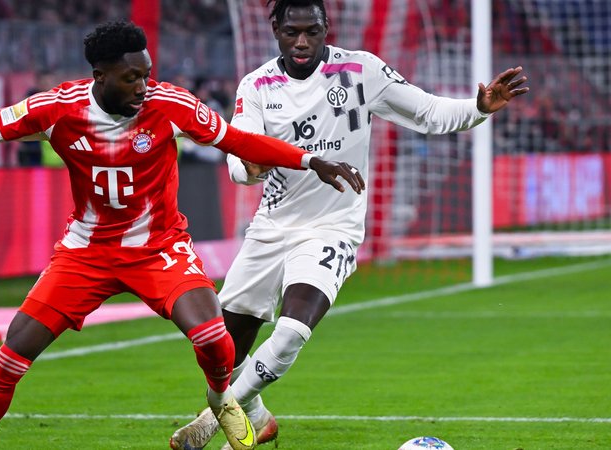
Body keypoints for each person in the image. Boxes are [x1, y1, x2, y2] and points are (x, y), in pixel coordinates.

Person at [0, 20, 361, 450]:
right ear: (100, 75)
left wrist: (308, 160)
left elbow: (238, 140)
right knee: (12, 354)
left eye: (147, 74)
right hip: (86, 253)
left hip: (159, 248)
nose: (143, 87)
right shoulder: (56, 108)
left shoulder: (170, 105)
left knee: (216, 339)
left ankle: (222, 402)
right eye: (131, 78)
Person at [169, 0, 529, 448]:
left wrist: (479, 106)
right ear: (275, 30)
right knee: (221, 351)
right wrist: (251, 168)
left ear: (326, 29)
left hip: (333, 227)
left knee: (292, 329)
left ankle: (211, 420)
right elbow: (240, 155)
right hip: (272, 226)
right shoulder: (256, 85)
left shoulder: (361, 71)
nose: (302, 42)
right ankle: (255, 417)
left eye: (312, 31)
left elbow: (429, 113)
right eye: (291, 32)